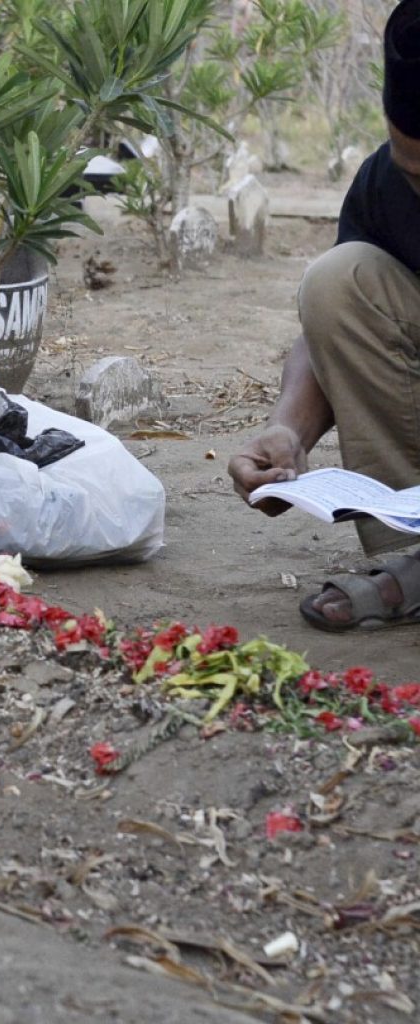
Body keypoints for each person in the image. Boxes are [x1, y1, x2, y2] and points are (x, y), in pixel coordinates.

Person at [228, 0, 420, 632]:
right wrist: (287, 431)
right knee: (339, 278)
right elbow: (342, 323)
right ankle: (416, 550)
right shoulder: (386, 183)